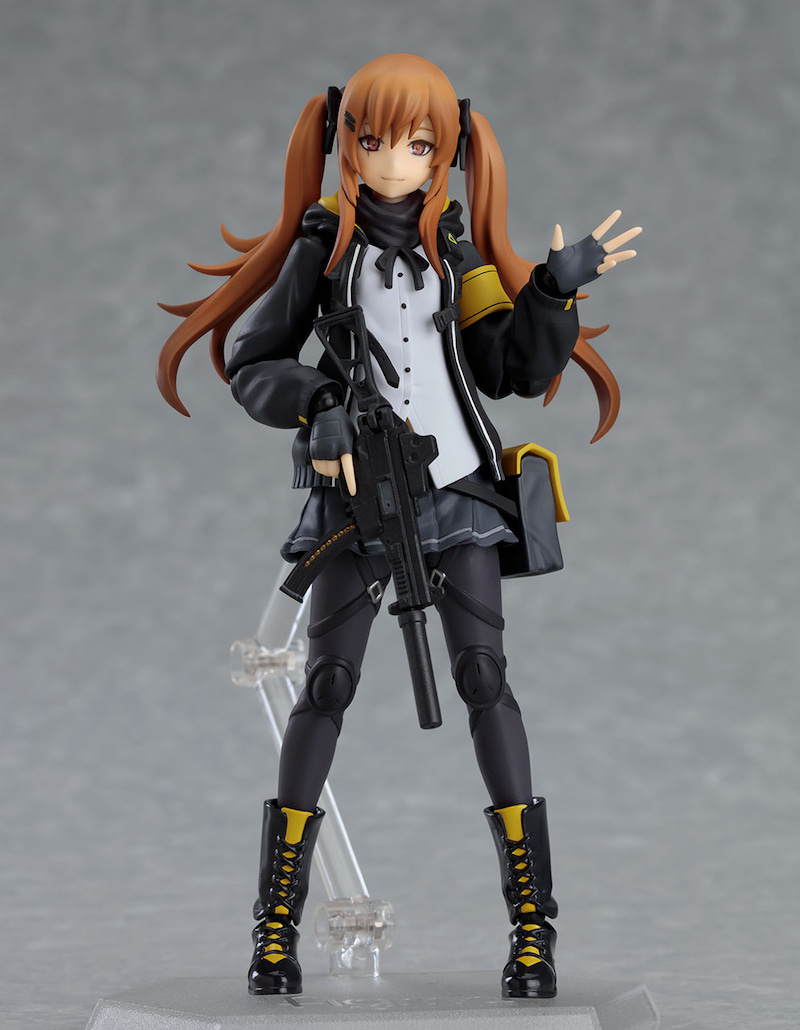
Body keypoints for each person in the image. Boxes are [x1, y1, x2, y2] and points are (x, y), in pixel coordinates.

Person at [158, 53, 640, 999]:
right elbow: (253, 362)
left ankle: (533, 930)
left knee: (485, 679)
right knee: (325, 685)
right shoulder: (324, 249)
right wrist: (319, 404)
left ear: (444, 152)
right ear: (346, 141)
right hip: (357, 503)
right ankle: (274, 928)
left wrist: (554, 291)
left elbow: (505, 368)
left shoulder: (455, 253)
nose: (393, 161)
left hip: (457, 495)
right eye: (373, 141)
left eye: (418, 145)